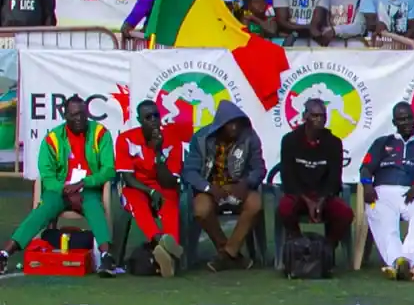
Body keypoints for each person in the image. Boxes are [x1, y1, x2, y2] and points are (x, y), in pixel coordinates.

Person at [0, 96, 114, 274]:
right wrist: (65, 190)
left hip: (88, 188)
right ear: (65, 115)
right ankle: (5, 254)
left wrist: (85, 182)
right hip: (60, 191)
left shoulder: (101, 134)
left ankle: (107, 257)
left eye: (83, 114)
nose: (80, 119)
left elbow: (108, 170)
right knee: (42, 210)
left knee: (93, 206)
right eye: (74, 115)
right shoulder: (53, 138)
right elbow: (47, 174)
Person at [360, 103, 414, 279]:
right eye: (402, 120)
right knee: (385, 222)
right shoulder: (382, 142)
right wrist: (367, 185)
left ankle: (404, 262)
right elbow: (366, 168)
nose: (407, 123)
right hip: (382, 191)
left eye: (409, 118)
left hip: (411, 190)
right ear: (395, 122)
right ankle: (399, 262)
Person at [183, 101, 266, 271]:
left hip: (239, 187)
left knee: (255, 204)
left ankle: (226, 254)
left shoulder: (250, 138)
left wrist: (247, 183)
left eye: (238, 123)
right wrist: (208, 188)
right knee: (201, 209)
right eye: (230, 124)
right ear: (220, 125)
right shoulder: (201, 139)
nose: (235, 127)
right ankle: (230, 252)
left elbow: (259, 168)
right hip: (211, 188)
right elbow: (189, 171)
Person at [115, 98, 186, 276]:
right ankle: (162, 242)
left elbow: (169, 181)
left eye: (156, 115)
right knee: (135, 200)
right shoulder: (126, 139)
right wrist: (150, 191)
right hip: (137, 187)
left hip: (162, 185)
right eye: (148, 117)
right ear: (140, 120)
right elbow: (128, 178)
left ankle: (167, 253)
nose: (154, 120)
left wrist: (158, 153)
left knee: (170, 198)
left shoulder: (172, 140)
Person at [277, 98, 352, 259]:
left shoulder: (334, 142)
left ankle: (327, 249)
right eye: (315, 115)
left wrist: (321, 200)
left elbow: (334, 178)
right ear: (305, 117)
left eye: (322, 116)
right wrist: (307, 200)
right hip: (298, 194)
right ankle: (297, 245)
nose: (319, 120)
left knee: (345, 213)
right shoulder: (290, 140)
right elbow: (287, 176)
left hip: (323, 196)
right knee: (284, 208)